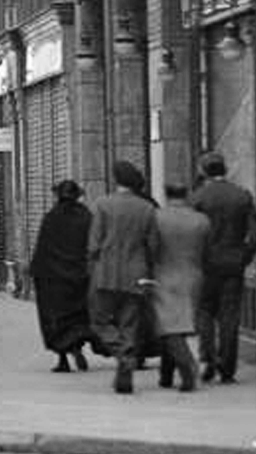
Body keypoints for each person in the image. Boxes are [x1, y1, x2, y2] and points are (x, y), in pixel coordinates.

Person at [88, 160, 160, 394]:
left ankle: (122, 352)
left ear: (116, 180)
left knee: (100, 320)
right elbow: (154, 245)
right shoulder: (146, 208)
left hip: (106, 273)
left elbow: (94, 243)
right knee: (130, 321)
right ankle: (127, 353)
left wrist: (94, 261)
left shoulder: (102, 205)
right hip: (136, 274)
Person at [192, 151, 256, 384]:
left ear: (202, 170)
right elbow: (255, 232)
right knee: (230, 315)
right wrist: (245, 255)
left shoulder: (198, 197)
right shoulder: (241, 196)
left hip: (205, 264)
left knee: (204, 312)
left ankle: (207, 359)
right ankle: (228, 367)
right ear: (225, 169)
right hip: (233, 263)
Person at [31, 179, 95, 373]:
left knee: (55, 318)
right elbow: (93, 243)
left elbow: (43, 248)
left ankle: (63, 358)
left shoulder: (51, 218)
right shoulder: (86, 216)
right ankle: (77, 345)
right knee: (79, 316)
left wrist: (36, 271)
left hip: (54, 279)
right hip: (79, 276)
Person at [152, 183, 210, 392]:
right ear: (187, 194)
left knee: (169, 327)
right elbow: (207, 249)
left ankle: (187, 368)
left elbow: (151, 246)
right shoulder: (201, 220)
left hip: (164, 275)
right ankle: (166, 374)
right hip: (193, 275)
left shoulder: (156, 217)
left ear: (166, 195)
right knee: (179, 325)